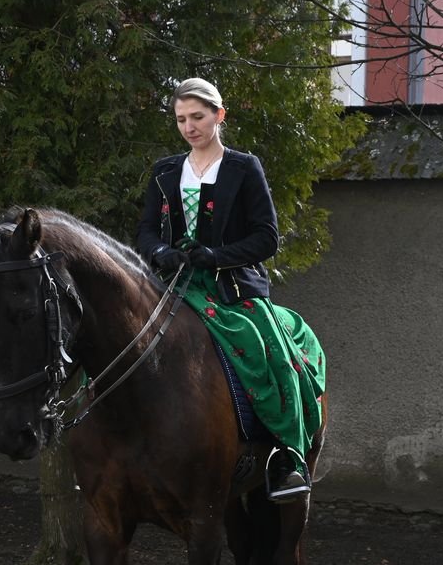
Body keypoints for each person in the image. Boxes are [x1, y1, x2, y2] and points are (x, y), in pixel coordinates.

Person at [135, 77, 326, 502]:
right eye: (181, 119)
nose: (189, 127)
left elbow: (267, 238)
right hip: (172, 284)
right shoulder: (165, 171)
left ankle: (287, 457)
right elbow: (145, 231)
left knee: (269, 352)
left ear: (219, 115)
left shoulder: (244, 167)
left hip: (232, 287)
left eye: (197, 117)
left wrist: (216, 256)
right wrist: (163, 252)